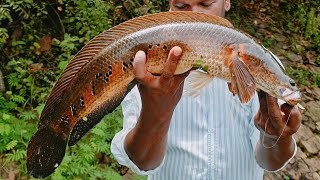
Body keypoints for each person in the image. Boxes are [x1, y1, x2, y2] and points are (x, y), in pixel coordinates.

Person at [111, 0, 302, 179]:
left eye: (206, 3)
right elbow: (142, 162)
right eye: (181, 5)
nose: (195, 16)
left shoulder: (260, 62)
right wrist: (156, 113)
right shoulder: (146, 63)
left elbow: (270, 161)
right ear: (169, 6)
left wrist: (272, 135)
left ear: (226, 1)